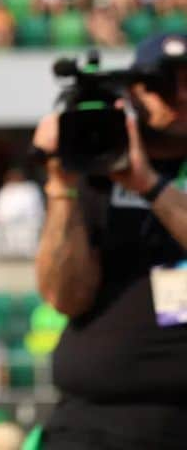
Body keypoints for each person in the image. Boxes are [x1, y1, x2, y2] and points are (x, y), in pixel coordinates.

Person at [31, 33, 187, 449]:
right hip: (87, 424)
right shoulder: (95, 169)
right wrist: (60, 185)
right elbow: (65, 296)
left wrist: (149, 186)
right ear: (132, 91)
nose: (182, 95)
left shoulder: (141, 179)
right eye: (164, 83)